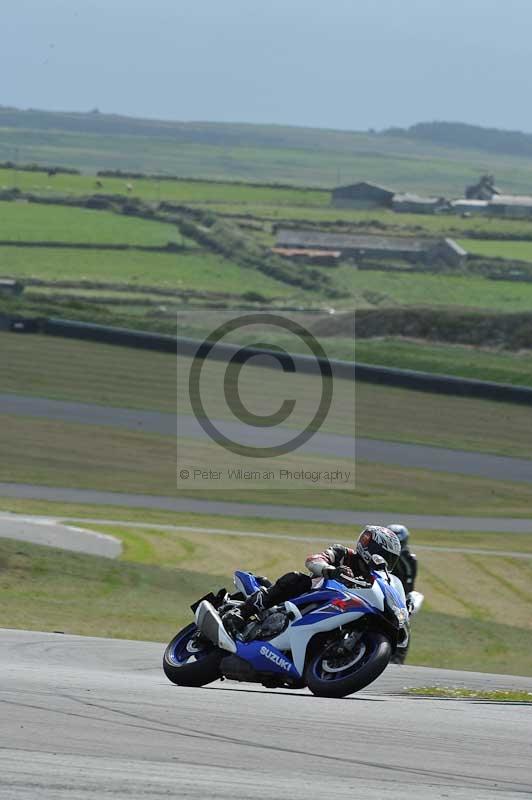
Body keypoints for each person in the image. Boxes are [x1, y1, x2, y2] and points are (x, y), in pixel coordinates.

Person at [223, 525, 401, 636]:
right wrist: (330, 570)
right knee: (297, 579)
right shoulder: (343, 554)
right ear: (373, 549)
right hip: (313, 594)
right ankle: (241, 612)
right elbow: (313, 560)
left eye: (391, 559)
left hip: (341, 608)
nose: (386, 562)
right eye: (386, 556)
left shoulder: (375, 579)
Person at [387, 523, 418, 664]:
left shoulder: (409, 559)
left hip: (398, 595)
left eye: (398, 543)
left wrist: (405, 599)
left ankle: (399, 657)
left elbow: (409, 582)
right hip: (376, 589)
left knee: (403, 621)